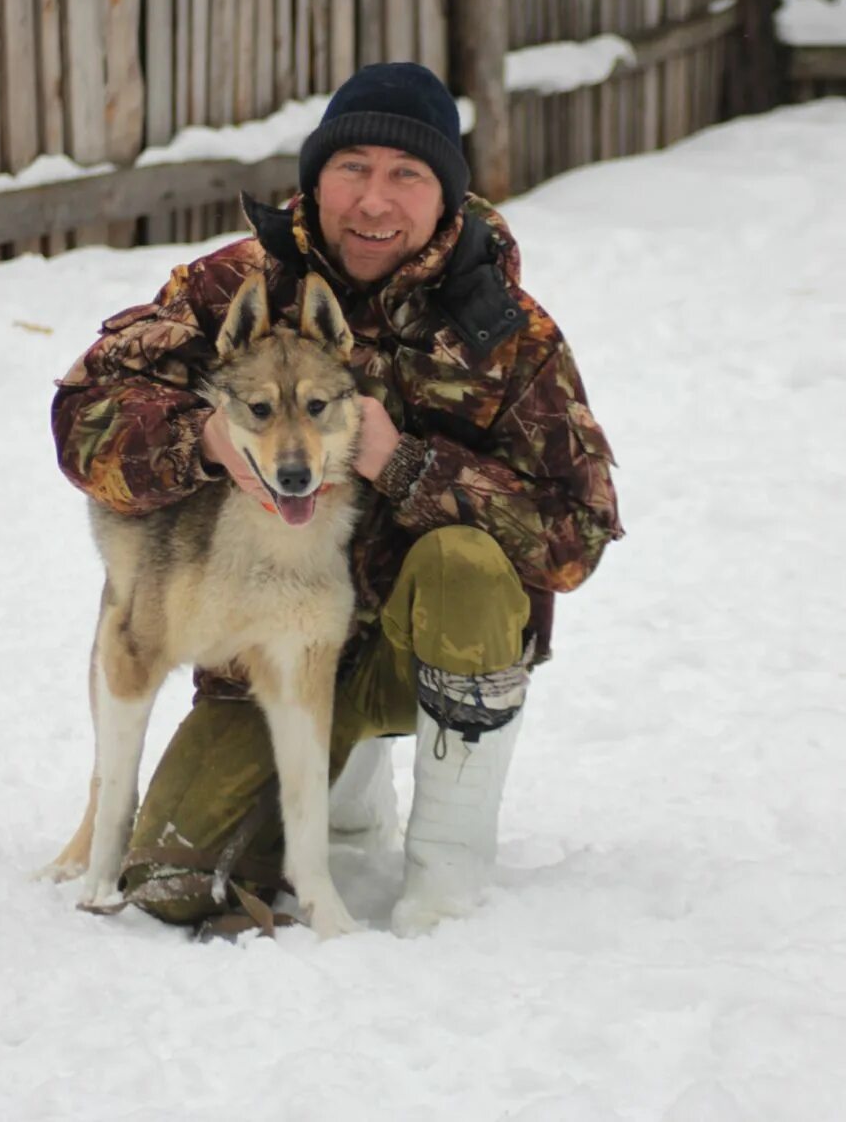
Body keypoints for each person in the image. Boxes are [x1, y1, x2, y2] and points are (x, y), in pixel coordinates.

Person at [52, 62, 623, 937]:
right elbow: (83, 415)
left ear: (448, 197)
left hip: (416, 649)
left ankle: (448, 859)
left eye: (408, 175)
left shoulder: (506, 332)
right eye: (352, 166)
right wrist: (198, 440)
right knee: (168, 880)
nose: (374, 200)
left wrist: (409, 468)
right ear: (316, 177)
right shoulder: (229, 287)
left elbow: (576, 534)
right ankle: (344, 791)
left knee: (466, 564)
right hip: (260, 657)